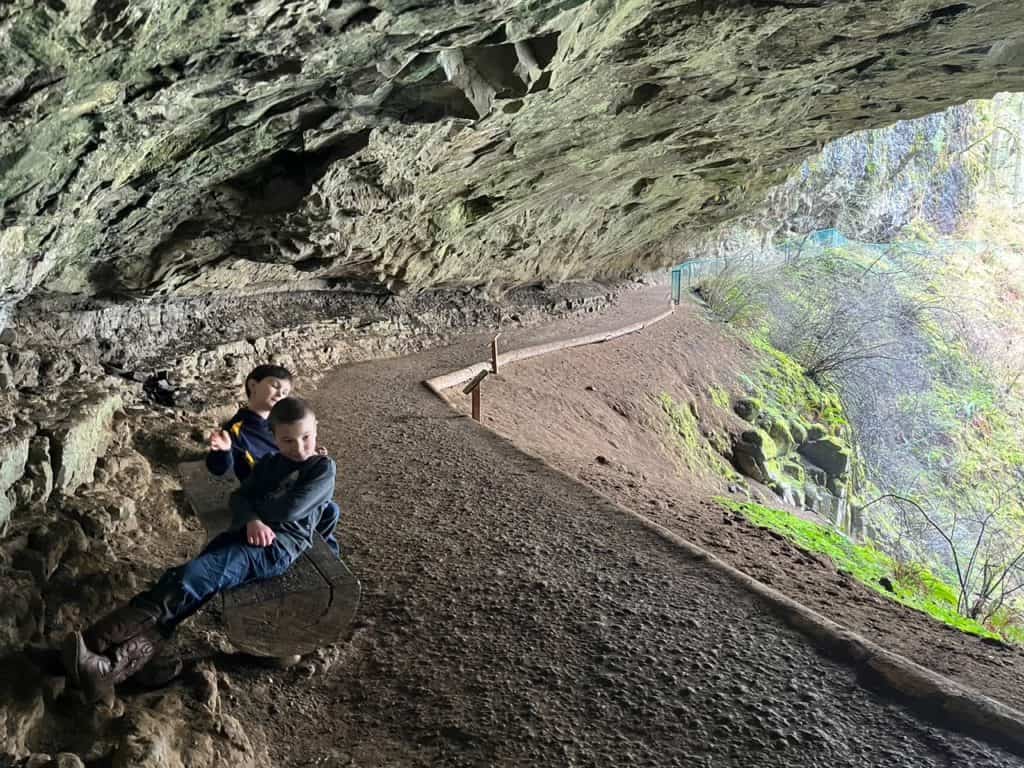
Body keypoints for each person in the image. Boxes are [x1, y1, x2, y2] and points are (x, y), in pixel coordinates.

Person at [63, 398, 336, 702]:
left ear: (316, 430)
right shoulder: (271, 463)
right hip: (248, 533)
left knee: (192, 577)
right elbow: (238, 498)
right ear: (274, 437)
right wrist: (252, 519)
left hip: (276, 547)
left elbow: (291, 509)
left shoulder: (322, 468)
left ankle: (93, 644)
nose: (299, 447)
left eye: (307, 437)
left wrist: (253, 511)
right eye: (288, 440)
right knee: (181, 585)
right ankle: (108, 669)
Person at [207, 364, 341, 556]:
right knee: (326, 510)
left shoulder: (281, 425)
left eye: (286, 391)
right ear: (253, 385)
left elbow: (290, 456)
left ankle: (324, 553)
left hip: (288, 487)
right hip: (262, 493)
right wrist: (223, 452)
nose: (280, 393)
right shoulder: (238, 428)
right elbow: (219, 469)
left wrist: (310, 457)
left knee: (328, 509)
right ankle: (321, 556)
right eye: (275, 385)